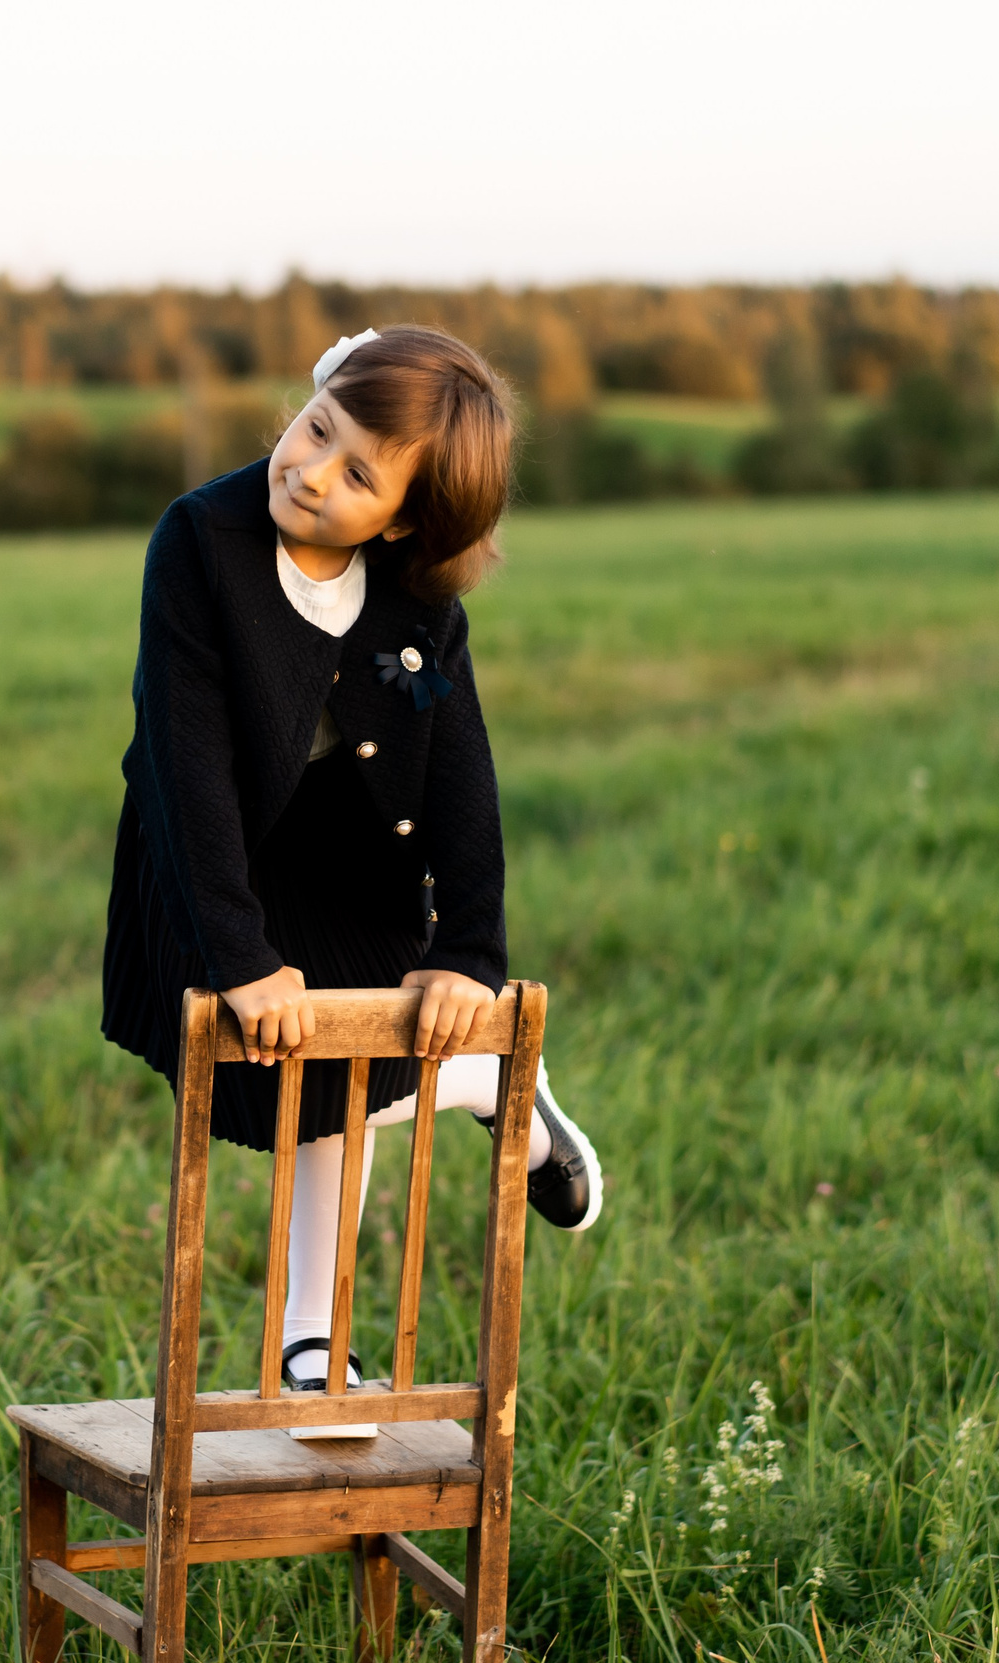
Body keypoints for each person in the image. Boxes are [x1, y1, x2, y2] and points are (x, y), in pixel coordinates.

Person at [103, 325, 601, 1439]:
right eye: (315, 428)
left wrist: (468, 951)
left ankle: (311, 1345)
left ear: (407, 521)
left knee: (334, 1089)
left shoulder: (419, 600)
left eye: (357, 473)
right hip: (211, 857)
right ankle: (483, 1091)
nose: (311, 470)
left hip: (350, 862)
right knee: (295, 1084)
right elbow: (184, 758)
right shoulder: (199, 541)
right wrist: (237, 953)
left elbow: (461, 769)